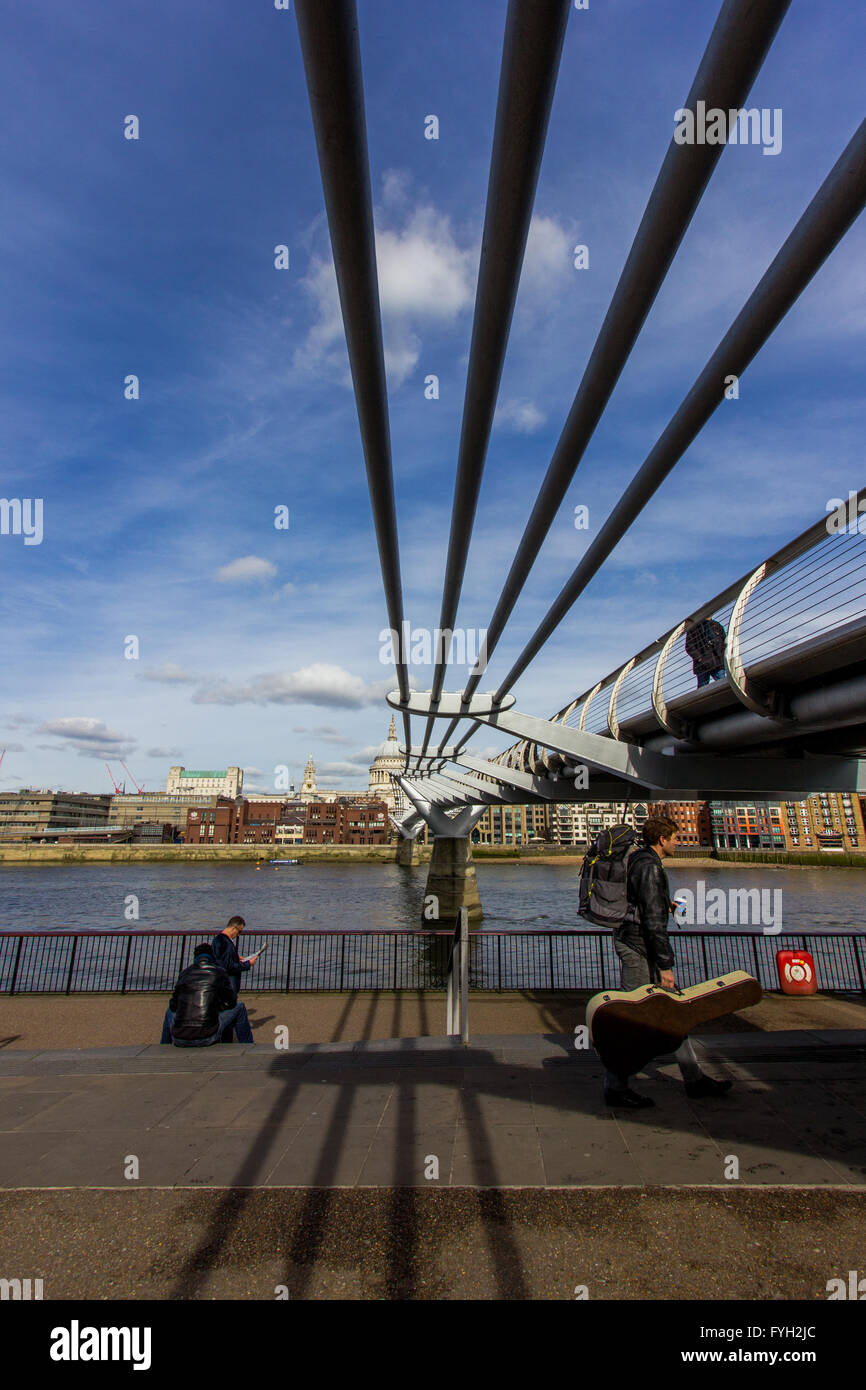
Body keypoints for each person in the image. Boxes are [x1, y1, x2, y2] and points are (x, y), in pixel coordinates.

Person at [603, 816, 732, 1108]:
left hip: (635, 942)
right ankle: (615, 1087)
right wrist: (665, 967)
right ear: (662, 840)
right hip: (639, 948)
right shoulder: (649, 866)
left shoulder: (641, 861)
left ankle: (694, 1079)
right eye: (675, 837)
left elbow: (645, 904)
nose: (678, 842)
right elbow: (651, 922)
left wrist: (664, 903)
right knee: (631, 1019)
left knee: (673, 1014)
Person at [160, 943, 254, 1046]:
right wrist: (216, 1006)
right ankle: (247, 1045)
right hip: (207, 1036)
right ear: (212, 957)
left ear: (195, 957)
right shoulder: (219, 972)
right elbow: (230, 1003)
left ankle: (165, 1045)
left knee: (169, 1011)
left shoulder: (184, 973)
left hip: (179, 1037)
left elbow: (173, 1005)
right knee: (239, 1008)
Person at [211, 915, 261, 1001]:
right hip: (229, 983)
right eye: (239, 931)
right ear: (234, 928)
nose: (238, 935)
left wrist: (236, 957)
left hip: (221, 981)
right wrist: (248, 963)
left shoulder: (218, 939)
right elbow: (229, 966)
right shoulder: (226, 943)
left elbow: (221, 960)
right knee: (230, 1007)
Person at [685, 616, 727, 687]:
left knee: (723, 685)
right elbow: (689, 646)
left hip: (718, 662)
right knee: (702, 689)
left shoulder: (717, 625)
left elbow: (724, 641)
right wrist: (700, 658)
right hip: (702, 664)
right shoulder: (694, 628)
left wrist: (722, 655)